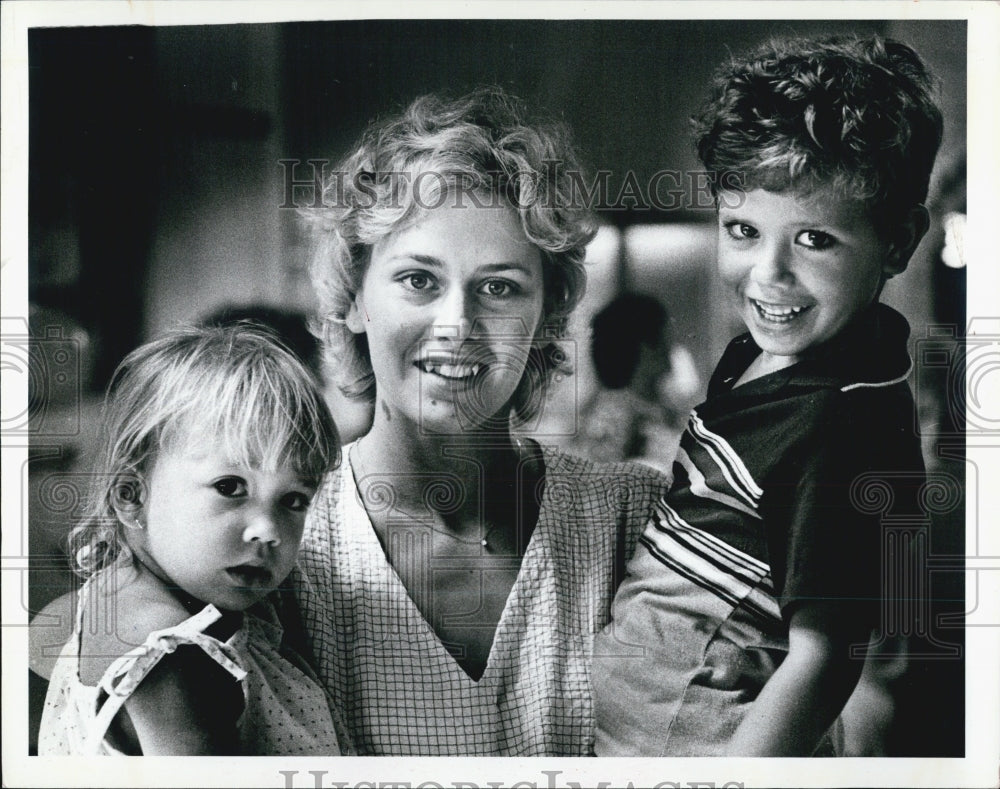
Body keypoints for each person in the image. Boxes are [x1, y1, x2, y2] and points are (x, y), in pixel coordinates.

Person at [592, 35, 942, 756]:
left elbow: (826, 656)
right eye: (743, 230)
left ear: (900, 241)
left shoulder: (844, 419)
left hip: (694, 751)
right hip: (628, 724)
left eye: (814, 239)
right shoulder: (757, 352)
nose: (767, 274)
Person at [293, 88, 669, 755]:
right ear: (353, 298)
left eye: (499, 287)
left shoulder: (631, 519)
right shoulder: (285, 542)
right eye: (418, 279)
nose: (457, 325)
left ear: (547, 315)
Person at [29, 325, 346, 755]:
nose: (268, 530)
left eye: (293, 500)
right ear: (132, 496)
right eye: (231, 487)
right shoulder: (171, 656)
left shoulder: (86, 609)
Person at [571, 293, 700, 471]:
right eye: (666, 339)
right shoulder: (610, 415)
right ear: (647, 349)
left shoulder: (664, 405)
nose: (672, 348)